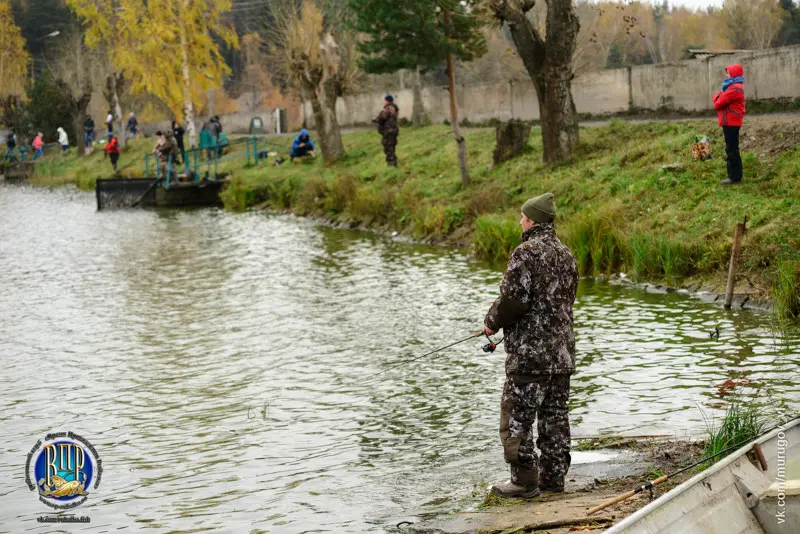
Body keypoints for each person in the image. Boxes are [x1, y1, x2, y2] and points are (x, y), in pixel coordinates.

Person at [482, 192, 578, 499]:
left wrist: (491, 322)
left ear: (532, 221)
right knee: (555, 418)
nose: (520, 222)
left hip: (530, 357)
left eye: (522, 217)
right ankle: (553, 480)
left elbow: (513, 301)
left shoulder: (525, 253)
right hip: (562, 355)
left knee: (516, 417)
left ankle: (524, 481)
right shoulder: (567, 254)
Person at [713, 64, 746, 185]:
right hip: (730, 122)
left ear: (734, 74)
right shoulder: (733, 87)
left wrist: (716, 95)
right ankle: (735, 176)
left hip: (731, 122)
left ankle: (735, 177)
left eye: (728, 73)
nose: (726, 75)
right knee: (732, 148)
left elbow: (718, 103)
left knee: (732, 149)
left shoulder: (734, 88)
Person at [373, 94, 399, 167]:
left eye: (384, 100)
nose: (384, 102)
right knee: (391, 148)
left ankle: (391, 166)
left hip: (389, 132)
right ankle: (393, 164)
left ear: (387, 100)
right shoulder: (394, 108)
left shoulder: (389, 108)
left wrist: (376, 119)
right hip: (393, 131)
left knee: (388, 148)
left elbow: (383, 116)